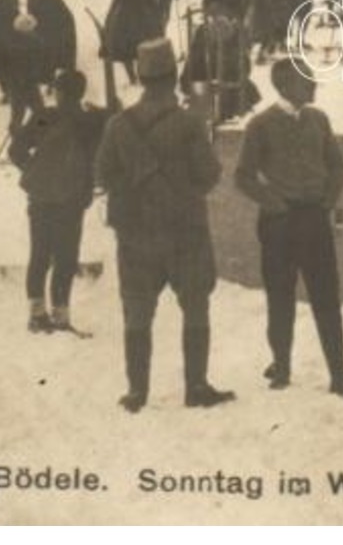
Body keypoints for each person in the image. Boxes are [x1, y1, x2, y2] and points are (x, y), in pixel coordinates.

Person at [95, 37, 233, 413]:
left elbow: (104, 175)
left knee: (137, 311)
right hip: (184, 230)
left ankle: (137, 392)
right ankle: (196, 386)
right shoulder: (189, 123)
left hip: (136, 235)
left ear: (140, 77)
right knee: (195, 305)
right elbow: (208, 174)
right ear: (173, 76)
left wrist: (140, 191)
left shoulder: (119, 126)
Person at [235, 58, 343, 399]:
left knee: (327, 297)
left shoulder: (319, 120)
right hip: (278, 223)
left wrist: (326, 201)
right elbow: (243, 176)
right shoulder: (259, 125)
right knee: (280, 296)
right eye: (306, 81)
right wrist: (273, 202)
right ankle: (281, 365)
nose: (313, 86)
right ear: (284, 86)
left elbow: (338, 165)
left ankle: (339, 374)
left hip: (313, 219)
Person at [9, 70, 107, 333]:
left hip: (40, 197)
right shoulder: (90, 121)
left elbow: (16, 150)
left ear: (59, 92)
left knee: (39, 254)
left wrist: (35, 169)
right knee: (65, 257)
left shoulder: (45, 117)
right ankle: (61, 317)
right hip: (72, 198)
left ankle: (37, 315)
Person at [25, 0, 78, 80]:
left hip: (56, 34)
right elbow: (31, 18)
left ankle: (56, 82)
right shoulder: (30, 0)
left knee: (55, 60)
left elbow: (66, 16)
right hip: (40, 35)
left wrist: (64, 33)